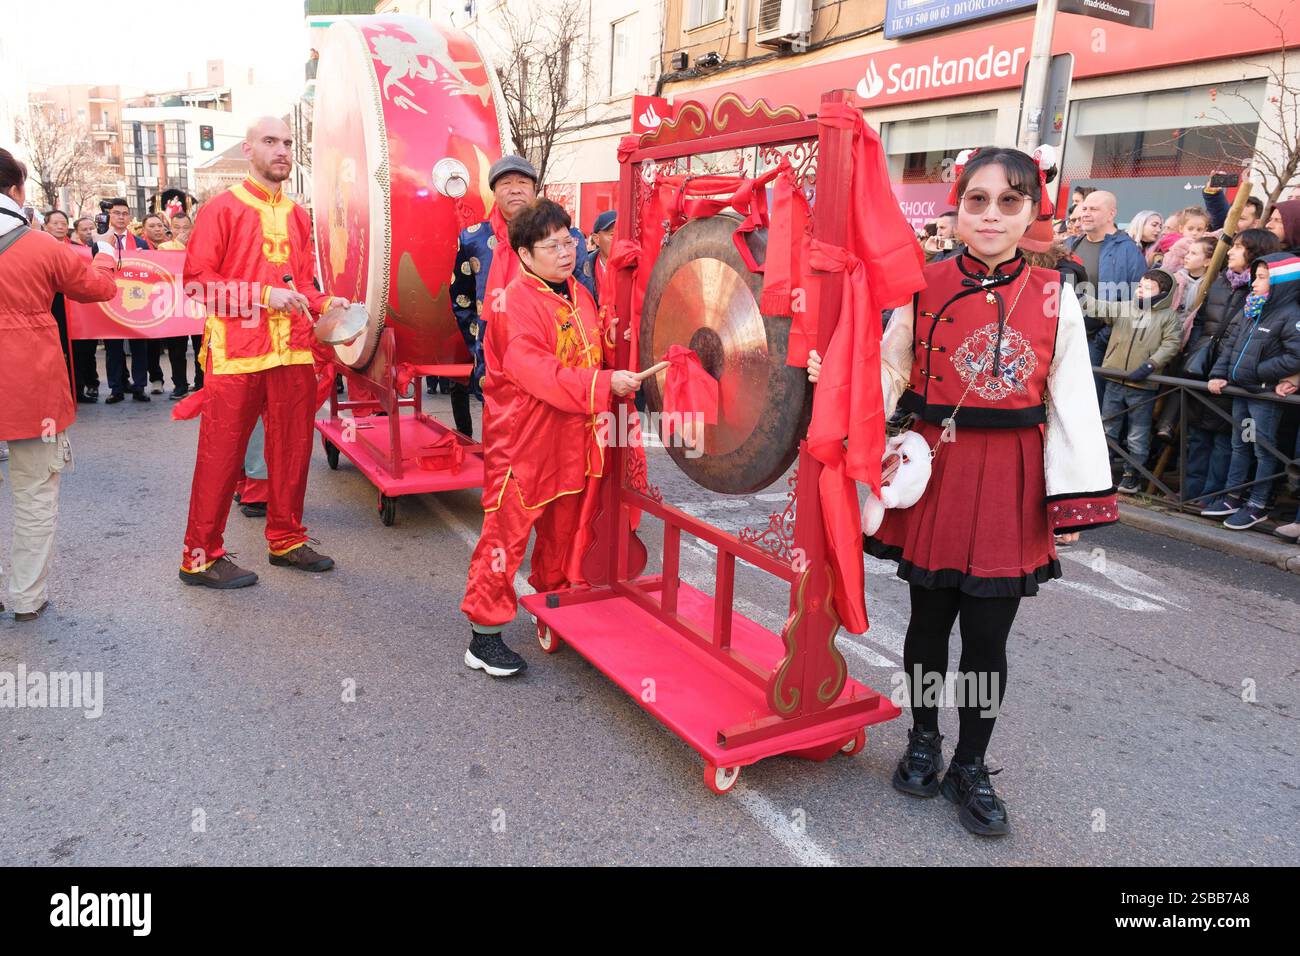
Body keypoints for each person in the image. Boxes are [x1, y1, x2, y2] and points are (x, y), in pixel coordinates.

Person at [808, 147, 1116, 837]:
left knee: (986, 636)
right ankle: (923, 738)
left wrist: (1067, 501)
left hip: (1010, 475)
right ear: (957, 207)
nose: (991, 215)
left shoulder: (1055, 293)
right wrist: (841, 403)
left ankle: (971, 763)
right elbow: (887, 373)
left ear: (1033, 212)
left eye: (1009, 202)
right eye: (977, 200)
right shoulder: (923, 282)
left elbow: (1071, 402)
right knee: (927, 623)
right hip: (937, 466)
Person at [460, 199, 642, 678]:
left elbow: (595, 347)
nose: (566, 251)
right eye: (552, 245)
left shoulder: (577, 294)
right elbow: (538, 372)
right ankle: (483, 636)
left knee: (563, 527)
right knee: (507, 535)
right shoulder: (514, 303)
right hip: (523, 440)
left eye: (569, 240)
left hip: (573, 434)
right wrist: (604, 384)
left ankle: (550, 603)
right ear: (524, 253)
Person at [177, 116, 347, 589]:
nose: (282, 151)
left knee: (293, 450)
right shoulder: (222, 209)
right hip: (237, 351)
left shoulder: (297, 214)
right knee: (221, 454)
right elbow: (197, 284)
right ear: (248, 150)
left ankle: (287, 539)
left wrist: (329, 304)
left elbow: (305, 284)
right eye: (270, 142)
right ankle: (200, 557)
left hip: (292, 349)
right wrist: (260, 295)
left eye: (288, 143)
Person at [0, 148, 117, 620]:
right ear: (17, 190)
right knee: (33, 491)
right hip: (32, 387)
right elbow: (98, 287)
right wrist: (106, 253)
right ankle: (26, 596)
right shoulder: (40, 246)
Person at [447, 156, 596, 437]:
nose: (515, 189)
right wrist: (481, 342)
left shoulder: (567, 238)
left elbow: (585, 294)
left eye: (522, 182)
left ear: (534, 189)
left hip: (559, 362)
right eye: (506, 183)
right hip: (495, 362)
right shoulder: (472, 238)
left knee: (558, 440)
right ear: (494, 191)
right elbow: (461, 298)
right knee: (505, 443)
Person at [1180, 229, 1281, 503]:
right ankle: (1190, 493)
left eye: (1238, 247)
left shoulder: (1263, 289)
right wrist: (1198, 350)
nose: (1231, 251)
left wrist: (1229, 363)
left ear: (1255, 253)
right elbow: (1201, 319)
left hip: (1233, 371)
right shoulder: (1222, 281)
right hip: (1205, 366)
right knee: (1199, 434)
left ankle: (1214, 495)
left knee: (1225, 438)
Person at [1201, 252, 1300, 529]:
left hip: (1262, 396)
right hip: (1242, 392)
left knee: (1262, 449)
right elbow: (1232, 344)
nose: (1253, 283)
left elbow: (1295, 356)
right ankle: (1234, 496)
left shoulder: (1290, 315)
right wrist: (1220, 373)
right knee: (1239, 444)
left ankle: (1258, 503)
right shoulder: (1253, 308)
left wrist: (1257, 372)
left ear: (1282, 282)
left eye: (1260, 278)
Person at [1087, 268, 1183, 494]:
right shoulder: (1126, 307)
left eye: (1148, 288)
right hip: (1115, 378)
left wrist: (1151, 364)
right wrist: (1076, 294)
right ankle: (1101, 470)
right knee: (1107, 426)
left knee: (1137, 434)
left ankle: (1132, 475)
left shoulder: (1168, 317)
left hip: (1142, 385)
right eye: (1140, 286)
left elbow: (1171, 344)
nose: (1141, 290)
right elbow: (1101, 307)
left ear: (1163, 293)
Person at [1069, 190, 1149, 403]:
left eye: (1094, 209)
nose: (1086, 213)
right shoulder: (1070, 245)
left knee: (1089, 402)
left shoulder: (1128, 251)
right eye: (1084, 208)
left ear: (1111, 214)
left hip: (1098, 341)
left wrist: (1104, 335)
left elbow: (1137, 301)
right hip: (1065, 335)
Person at [100, 198, 151, 404]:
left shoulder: (140, 243)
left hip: (135, 300)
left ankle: (139, 387)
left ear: (129, 217)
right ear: (109, 216)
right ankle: (116, 388)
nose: (121, 217)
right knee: (113, 348)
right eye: (116, 213)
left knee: (139, 347)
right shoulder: (101, 241)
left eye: (124, 213)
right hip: (110, 301)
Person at [581, 208, 616, 305]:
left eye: (621, 234)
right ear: (596, 239)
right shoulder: (582, 268)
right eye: (613, 235)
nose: (618, 240)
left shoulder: (631, 267)